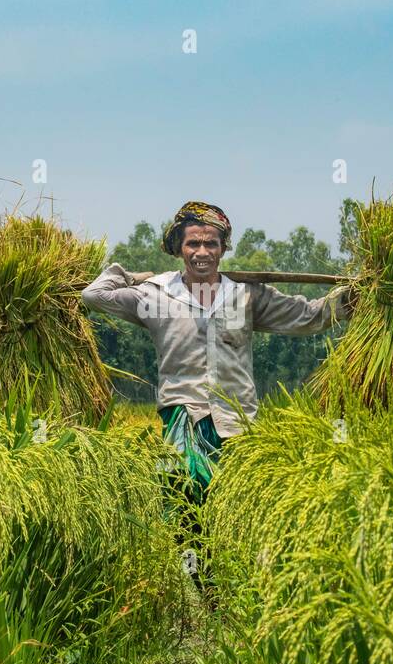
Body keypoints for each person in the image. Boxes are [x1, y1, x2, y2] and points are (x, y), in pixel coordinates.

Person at [81, 201, 356, 601]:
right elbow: (94, 295)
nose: (202, 252)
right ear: (178, 247)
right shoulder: (154, 295)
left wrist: (354, 297)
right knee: (181, 498)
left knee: (239, 507)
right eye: (193, 243)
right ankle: (208, 590)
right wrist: (130, 274)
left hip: (237, 419)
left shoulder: (246, 296)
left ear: (224, 248)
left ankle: (246, 589)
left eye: (211, 243)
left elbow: (309, 316)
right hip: (182, 416)